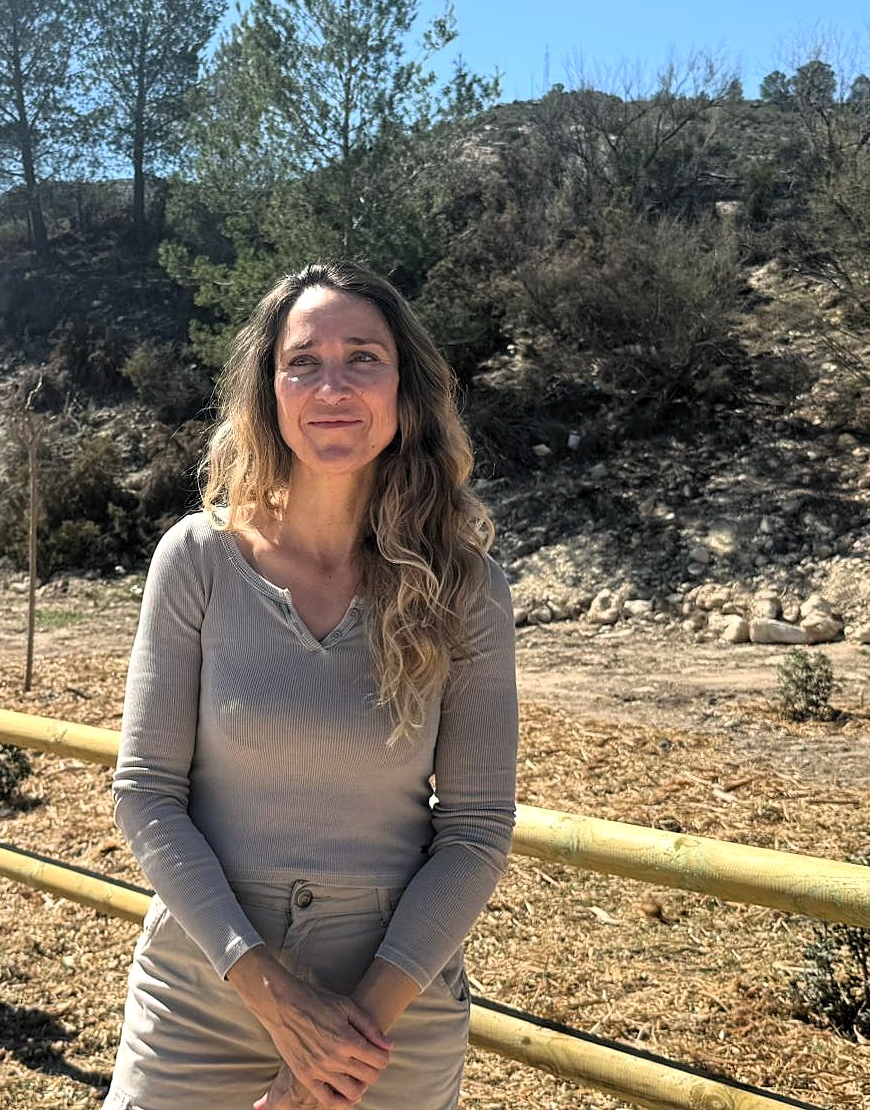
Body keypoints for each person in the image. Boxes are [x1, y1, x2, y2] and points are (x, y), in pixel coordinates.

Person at [105, 261, 519, 1110]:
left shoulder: (466, 587)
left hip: (392, 1015)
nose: (333, 386)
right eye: (303, 362)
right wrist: (277, 1000)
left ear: (404, 389)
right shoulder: (197, 560)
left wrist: (345, 1040)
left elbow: (476, 830)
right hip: (205, 991)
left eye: (364, 357)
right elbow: (146, 792)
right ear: (270, 391)